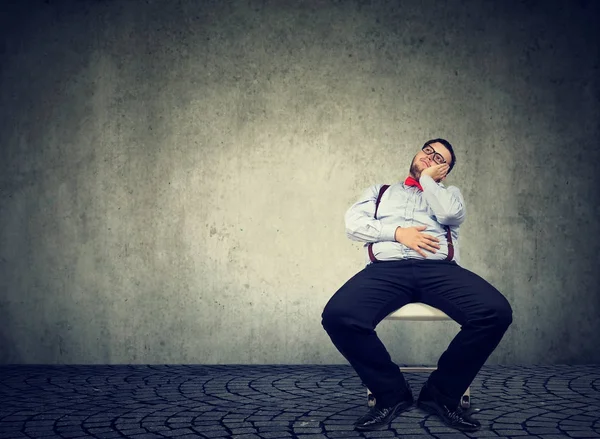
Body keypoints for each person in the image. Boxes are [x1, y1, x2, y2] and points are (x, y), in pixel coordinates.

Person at [321, 138, 513, 432]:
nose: (430, 157)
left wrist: (427, 180)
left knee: (495, 312)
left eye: (439, 159)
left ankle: (441, 394)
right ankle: (391, 393)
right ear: (417, 152)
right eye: (428, 151)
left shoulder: (450, 194)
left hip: (439, 270)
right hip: (385, 270)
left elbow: (449, 215)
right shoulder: (380, 192)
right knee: (338, 316)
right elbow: (353, 225)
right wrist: (397, 233)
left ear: (444, 171)